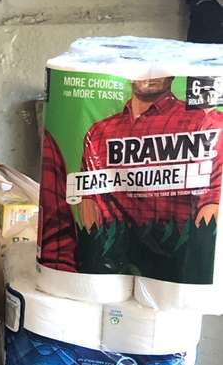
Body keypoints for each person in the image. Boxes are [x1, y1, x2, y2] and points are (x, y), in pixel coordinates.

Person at [76, 76, 219, 281]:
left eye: (158, 70)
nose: (150, 76)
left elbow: (212, 201)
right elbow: (88, 197)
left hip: (176, 267)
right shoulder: (99, 133)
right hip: (111, 266)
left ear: (172, 73)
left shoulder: (204, 124)